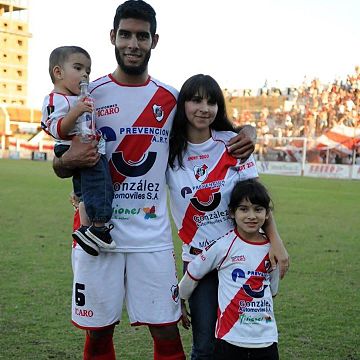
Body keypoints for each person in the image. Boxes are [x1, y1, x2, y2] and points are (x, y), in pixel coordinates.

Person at [52, 1, 282, 359]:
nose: (133, 43)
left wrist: (248, 130)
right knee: (98, 333)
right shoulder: (88, 95)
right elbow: (60, 162)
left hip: (152, 238)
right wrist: (68, 160)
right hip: (98, 235)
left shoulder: (171, 99)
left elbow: (216, 127)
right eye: (125, 34)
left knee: (166, 330)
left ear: (154, 41)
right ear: (112, 37)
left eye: (141, 36)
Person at [166, 74, 288, 359]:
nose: (204, 108)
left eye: (211, 102)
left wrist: (276, 243)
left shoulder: (233, 144)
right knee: (205, 346)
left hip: (241, 257)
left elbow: (257, 200)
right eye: (196, 100)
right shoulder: (169, 150)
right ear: (183, 104)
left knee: (242, 342)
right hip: (199, 260)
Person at [179, 179, 280, 360]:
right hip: (229, 339)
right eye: (244, 209)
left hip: (266, 338)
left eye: (258, 209)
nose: (251, 216)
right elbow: (194, 270)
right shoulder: (223, 246)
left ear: (267, 214)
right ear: (232, 213)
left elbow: (273, 288)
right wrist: (181, 298)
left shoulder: (271, 249)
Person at [41, 46, 115, 256]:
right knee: (100, 185)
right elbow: (56, 128)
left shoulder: (80, 98)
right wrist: (76, 111)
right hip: (74, 147)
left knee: (85, 192)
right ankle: (99, 228)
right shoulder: (56, 99)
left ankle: (85, 230)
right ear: (58, 72)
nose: (85, 74)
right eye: (78, 68)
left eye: (88, 70)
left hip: (85, 143)